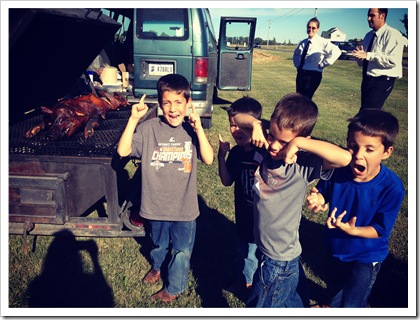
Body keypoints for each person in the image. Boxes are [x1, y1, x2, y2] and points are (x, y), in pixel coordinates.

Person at [233, 93, 352, 308]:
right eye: (272, 136)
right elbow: (236, 118)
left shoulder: (303, 164)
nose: (274, 146)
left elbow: (344, 158)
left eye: (283, 142)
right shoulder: (266, 146)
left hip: (278, 257)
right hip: (269, 250)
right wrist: (257, 125)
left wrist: (298, 143)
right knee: (291, 300)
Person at [117, 74, 214, 303]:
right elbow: (122, 151)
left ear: (188, 103)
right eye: (167, 103)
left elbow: (209, 159)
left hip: (184, 209)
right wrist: (133, 120)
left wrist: (199, 130)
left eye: (178, 102)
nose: (173, 109)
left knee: (181, 251)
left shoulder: (191, 130)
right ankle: (157, 266)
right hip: (155, 205)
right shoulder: (150, 129)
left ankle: (174, 288)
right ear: (160, 104)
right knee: (159, 243)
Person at [306, 109, 405, 308]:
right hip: (335, 247)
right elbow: (324, 191)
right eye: (353, 146)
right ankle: (330, 306)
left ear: (387, 152)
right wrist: (318, 198)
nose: (358, 155)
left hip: (366, 257)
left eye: (369, 149)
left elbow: (380, 229)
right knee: (334, 286)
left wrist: (354, 230)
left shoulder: (391, 187)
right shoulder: (339, 171)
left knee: (353, 301)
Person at [217, 96, 262, 292]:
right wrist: (221, 156)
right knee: (244, 250)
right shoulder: (236, 153)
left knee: (260, 251)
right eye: (232, 125)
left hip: (264, 217)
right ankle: (246, 279)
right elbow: (227, 181)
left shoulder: (265, 151)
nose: (236, 130)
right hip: (244, 214)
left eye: (242, 125)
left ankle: (259, 281)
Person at [353, 8, 406, 110]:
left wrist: (368, 55)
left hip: (382, 80)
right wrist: (359, 56)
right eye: (368, 15)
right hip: (367, 79)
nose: (368, 18)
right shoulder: (368, 36)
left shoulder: (393, 35)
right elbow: (361, 62)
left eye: (372, 15)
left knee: (369, 112)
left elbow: (393, 60)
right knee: (365, 110)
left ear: (382, 16)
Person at [293, 17, 341, 100]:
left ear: (318, 29)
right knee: (298, 98)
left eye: (313, 28)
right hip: (301, 74)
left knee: (305, 99)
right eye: (309, 27)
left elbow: (337, 51)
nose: (310, 29)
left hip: (313, 75)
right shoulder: (303, 42)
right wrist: (298, 65)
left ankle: (307, 113)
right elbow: (296, 54)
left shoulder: (322, 42)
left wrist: (323, 64)